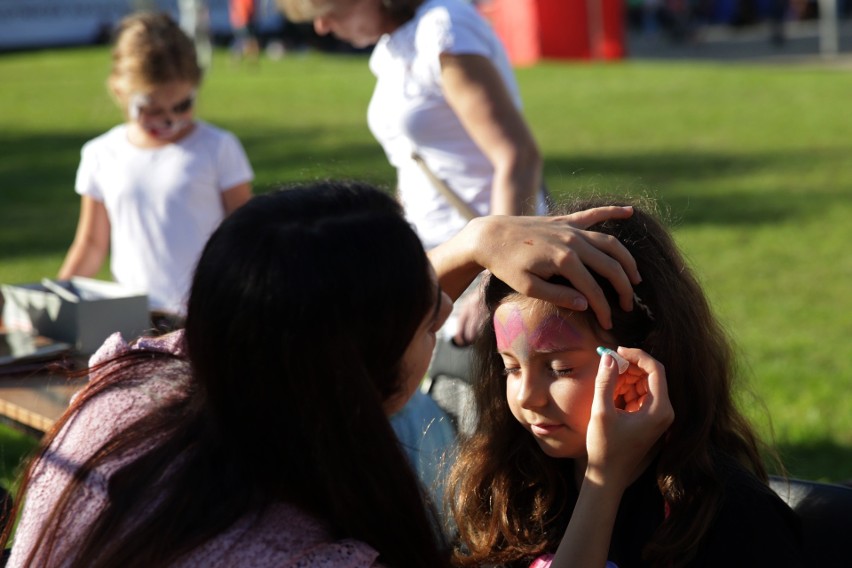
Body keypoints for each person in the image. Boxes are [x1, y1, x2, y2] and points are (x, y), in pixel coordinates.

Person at [3, 181, 644, 567]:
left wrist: (475, 240)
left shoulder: (134, 389)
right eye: (426, 325)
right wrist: (603, 477)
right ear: (360, 379)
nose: (447, 308)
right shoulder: (304, 556)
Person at [448, 197, 805, 567]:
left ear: (641, 362)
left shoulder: (728, 519)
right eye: (512, 368)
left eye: (560, 369)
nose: (528, 397)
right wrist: (476, 241)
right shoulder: (512, 492)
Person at [277, 0, 546, 344]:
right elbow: (413, 164)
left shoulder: (444, 28)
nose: (322, 27)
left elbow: (517, 155)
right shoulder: (392, 46)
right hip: (433, 262)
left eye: (329, 13)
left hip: (479, 265)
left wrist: (494, 283)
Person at [58, 12, 254, 322]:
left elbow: (247, 234)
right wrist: (56, 302)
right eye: (151, 109)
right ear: (119, 91)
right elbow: (92, 243)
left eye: (182, 105)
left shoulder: (218, 146)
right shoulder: (101, 154)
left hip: (208, 313)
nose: (169, 120)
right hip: (134, 320)